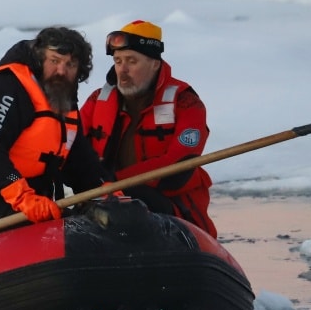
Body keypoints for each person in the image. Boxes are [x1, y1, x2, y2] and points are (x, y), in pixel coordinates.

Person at [0, 27, 107, 237]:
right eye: (55, 61)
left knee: (85, 228)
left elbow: (80, 163)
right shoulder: (8, 86)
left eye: (70, 64)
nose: (61, 71)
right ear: (40, 58)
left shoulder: (63, 100)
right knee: (61, 232)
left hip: (20, 205)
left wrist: (106, 194)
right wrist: (23, 198)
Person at [80, 20, 217, 237]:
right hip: (105, 201)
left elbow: (178, 167)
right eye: (118, 61)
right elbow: (70, 148)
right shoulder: (98, 101)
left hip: (169, 208)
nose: (122, 71)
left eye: (131, 61)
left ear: (154, 63)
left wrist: (116, 182)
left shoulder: (186, 102)